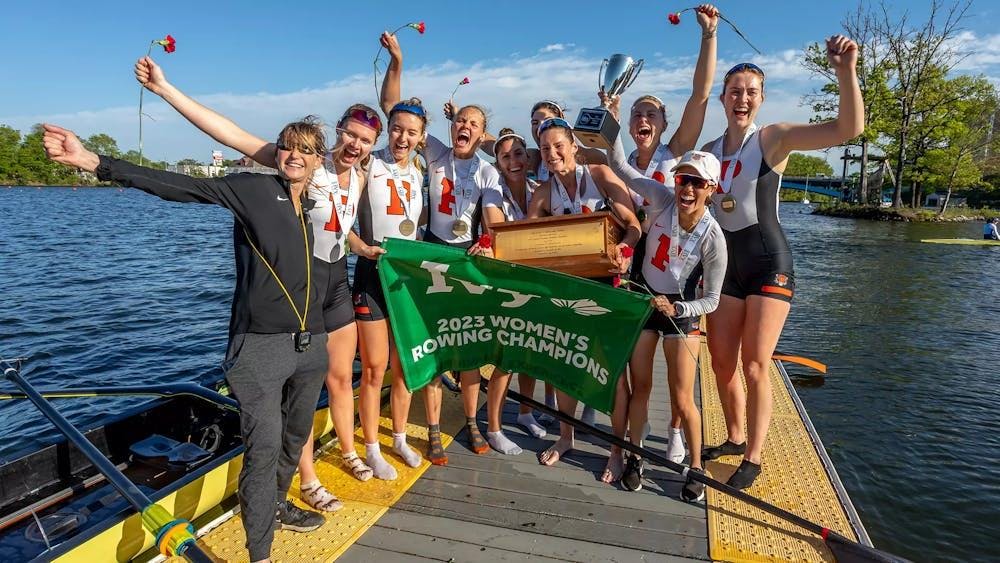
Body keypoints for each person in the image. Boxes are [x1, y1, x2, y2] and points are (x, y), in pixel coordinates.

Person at [42, 121, 330, 563]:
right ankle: (261, 554)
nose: (296, 155)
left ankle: (276, 504)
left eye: (307, 150)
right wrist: (94, 162)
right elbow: (179, 185)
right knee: (265, 445)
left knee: (294, 439)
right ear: (278, 152)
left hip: (310, 347)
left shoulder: (313, 202)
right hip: (259, 348)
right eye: (289, 147)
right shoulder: (253, 191)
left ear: (318, 160)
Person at [134, 57, 382, 501]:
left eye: (364, 141)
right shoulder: (305, 161)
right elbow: (229, 134)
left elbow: (339, 226)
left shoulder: (361, 176)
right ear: (337, 130)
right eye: (349, 134)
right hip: (300, 291)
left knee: (338, 379)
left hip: (336, 283)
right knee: (297, 391)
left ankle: (349, 451)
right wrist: (166, 91)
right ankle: (307, 480)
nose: (355, 145)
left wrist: (361, 248)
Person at [701, 36, 863, 490]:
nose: (743, 98)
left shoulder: (774, 138)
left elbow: (846, 129)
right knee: (720, 364)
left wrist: (844, 70)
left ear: (762, 99)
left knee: (755, 363)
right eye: (735, 90)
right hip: (725, 267)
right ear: (723, 98)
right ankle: (735, 438)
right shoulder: (710, 151)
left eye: (751, 91)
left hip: (769, 260)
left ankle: (753, 458)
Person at [380, 36, 506, 465]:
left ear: (481, 132)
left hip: (466, 256)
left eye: (473, 123)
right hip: (432, 254)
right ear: (451, 128)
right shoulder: (433, 152)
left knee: (467, 348)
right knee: (436, 346)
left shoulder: (488, 171)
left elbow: (494, 219)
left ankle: (470, 422)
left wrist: (490, 243)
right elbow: (394, 110)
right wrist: (398, 61)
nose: (464, 127)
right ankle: (433, 430)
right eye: (460, 122)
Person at [602, 3, 718, 466]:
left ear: (664, 124)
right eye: (635, 112)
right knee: (640, 358)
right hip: (639, 259)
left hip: (680, 262)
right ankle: (637, 429)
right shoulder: (626, 158)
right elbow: (607, 162)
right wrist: (608, 107)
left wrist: (707, 36)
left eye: (651, 111)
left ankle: (675, 431)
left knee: (680, 367)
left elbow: (700, 96)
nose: (642, 117)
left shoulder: (677, 153)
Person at [608, 140, 727, 500]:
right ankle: (636, 456)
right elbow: (620, 168)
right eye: (683, 180)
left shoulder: (714, 238)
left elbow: (712, 300)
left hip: (680, 312)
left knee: (682, 398)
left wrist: (680, 310)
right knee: (640, 386)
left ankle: (696, 466)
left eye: (697, 183)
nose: (687, 189)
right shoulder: (662, 199)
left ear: (711, 189)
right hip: (646, 300)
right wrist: (610, 122)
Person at [526, 117, 642, 483]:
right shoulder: (543, 194)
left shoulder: (601, 175)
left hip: (609, 283)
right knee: (566, 365)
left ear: (574, 145)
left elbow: (633, 223)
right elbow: (527, 242)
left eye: (559, 145)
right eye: (545, 148)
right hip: (568, 290)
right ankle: (566, 437)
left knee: (613, 371)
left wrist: (625, 247)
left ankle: (617, 449)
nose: (552, 153)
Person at [469, 127, 543, 450]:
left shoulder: (538, 188)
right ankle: (495, 427)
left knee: (532, 349)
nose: (513, 161)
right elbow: (498, 233)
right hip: (506, 281)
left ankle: (526, 412)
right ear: (497, 163)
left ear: (527, 158)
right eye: (505, 156)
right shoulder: (494, 193)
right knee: (508, 354)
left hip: (535, 278)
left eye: (518, 154)